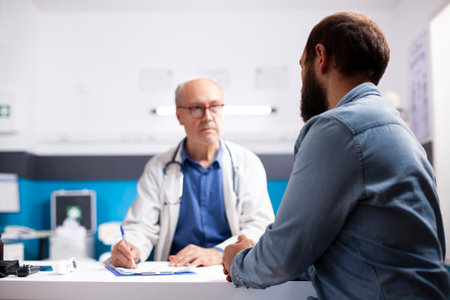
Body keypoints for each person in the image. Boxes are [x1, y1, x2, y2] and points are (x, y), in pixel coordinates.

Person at [223, 12, 450, 299]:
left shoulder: (338, 128)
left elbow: (280, 258)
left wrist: (237, 258)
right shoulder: (397, 128)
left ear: (321, 57)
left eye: (302, 67)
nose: (302, 83)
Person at [110, 78, 274, 268]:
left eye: (214, 107)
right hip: (176, 272)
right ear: (179, 116)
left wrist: (218, 253)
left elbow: (259, 226)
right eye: (196, 108)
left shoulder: (247, 163)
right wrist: (131, 247)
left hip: (229, 272)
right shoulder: (159, 167)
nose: (207, 117)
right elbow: (140, 225)